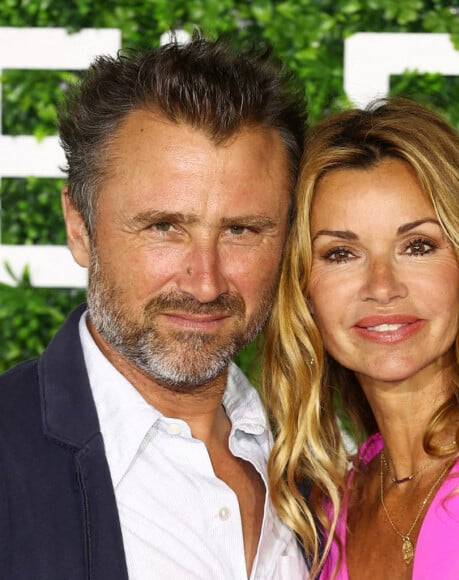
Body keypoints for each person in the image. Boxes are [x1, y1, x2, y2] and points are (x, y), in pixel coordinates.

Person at [0, 33, 309, 579]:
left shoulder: (324, 467)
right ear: (80, 226)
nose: (206, 283)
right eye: (164, 227)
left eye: (241, 230)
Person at [262, 97, 459, 579]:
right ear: (303, 291)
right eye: (341, 254)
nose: (383, 287)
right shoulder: (322, 520)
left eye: (418, 246)